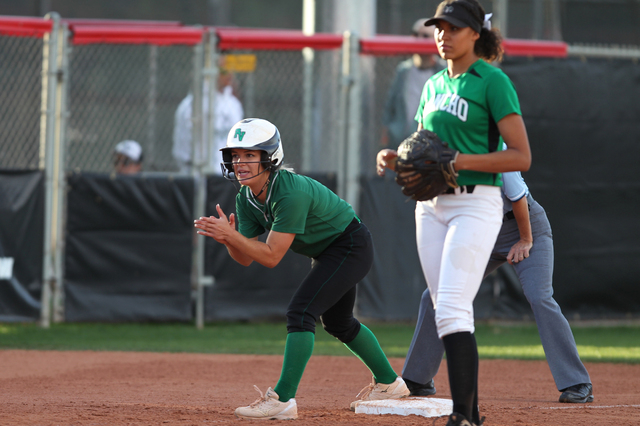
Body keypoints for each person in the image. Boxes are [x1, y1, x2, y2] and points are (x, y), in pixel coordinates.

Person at [376, 0, 532, 425]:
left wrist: (461, 161)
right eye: (438, 27)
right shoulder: (431, 85)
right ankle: (471, 413)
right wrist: (399, 157)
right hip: (429, 208)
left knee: (450, 307)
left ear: (475, 34)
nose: (443, 34)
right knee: (447, 308)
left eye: (453, 27)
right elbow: (426, 147)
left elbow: (521, 156)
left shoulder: (492, 82)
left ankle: (462, 415)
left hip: (475, 202)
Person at [194, 118, 409, 420]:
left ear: (270, 158)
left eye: (250, 155)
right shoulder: (245, 197)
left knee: (301, 312)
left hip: (349, 245)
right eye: (236, 155)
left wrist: (232, 236)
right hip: (330, 251)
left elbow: (270, 257)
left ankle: (282, 399)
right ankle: (390, 383)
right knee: (338, 322)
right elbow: (245, 258)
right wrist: (230, 240)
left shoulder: (288, 191)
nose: (239, 162)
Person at [401, 165, 594, 405]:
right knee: (435, 295)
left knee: (539, 296)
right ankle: (418, 378)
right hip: (481, 231)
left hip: (524, 227)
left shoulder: (496, 153)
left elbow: (518, 197)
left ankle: (577, 382)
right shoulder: (447, 159)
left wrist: (525, 239)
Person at [172, 56, 244, 174]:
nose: (229, 75)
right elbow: (183, 145)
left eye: (231, 69)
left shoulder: (233, 104)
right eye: (224, 71)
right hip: (197, 174)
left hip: (227, 176)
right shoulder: (193, 105)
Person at [380, 19, 443, 149]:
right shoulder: (404, 70)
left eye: (425, 36)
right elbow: (390, 103)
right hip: (400, 138)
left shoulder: (444, 71)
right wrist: (388, 130)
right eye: (415, 34)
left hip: (430, 143)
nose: (418, 39)